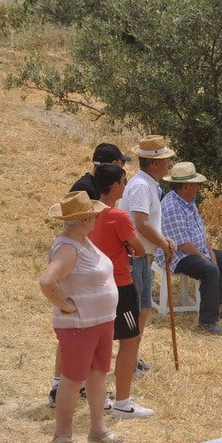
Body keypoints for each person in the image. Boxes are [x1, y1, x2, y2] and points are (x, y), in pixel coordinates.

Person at [48, 142, 136, 408]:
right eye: (120, 167)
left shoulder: (91, 187)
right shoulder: (86, 191)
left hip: (90, 284)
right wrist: (64, 303)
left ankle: (69, 388)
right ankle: (59, 387)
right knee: (74, 345)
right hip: (83, 284)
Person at [39, 191, 124, 443]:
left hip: (99, 322)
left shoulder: (82, 242)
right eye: (94, 215)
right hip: (80, 325)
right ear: (85, 219)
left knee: (98, 375)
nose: (97, 218)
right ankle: (62, 435)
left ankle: (98, 429)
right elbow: (47, 282)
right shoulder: (67, 248)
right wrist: (65, 305)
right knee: (73, 379)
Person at [89, 164, 155, 418]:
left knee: (99, 343)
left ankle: (101, 396)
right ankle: (123, 402)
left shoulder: (88, 213)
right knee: (130, 341)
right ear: (115, 186)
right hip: (119, 285)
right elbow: (138, 249)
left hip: (96, 285)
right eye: (123, 182)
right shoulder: (118, 216)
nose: (126, 187)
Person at [159, 162, 222, 336]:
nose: (198, 188)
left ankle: (219, 308)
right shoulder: (172, 207)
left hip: (195, 249)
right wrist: (206, 258)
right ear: (185, 186)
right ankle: (207, 322)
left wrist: (210, 252)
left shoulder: (188, 201)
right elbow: (183, 245)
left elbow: (200, 232)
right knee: (210, 270)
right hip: (176, 255)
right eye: (195, 184)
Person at [119, 135, 177, 361]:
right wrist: (163, 243)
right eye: (165, 160)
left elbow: (149, 223)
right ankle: (127, 360)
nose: (168, 164)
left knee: (143, 309)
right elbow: (140, 224)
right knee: (134, 311)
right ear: (154, 163)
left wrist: (164, 240)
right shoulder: (142, 186)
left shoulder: (148, 184)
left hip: (143, 256)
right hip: (135, 257)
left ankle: (132, 358)